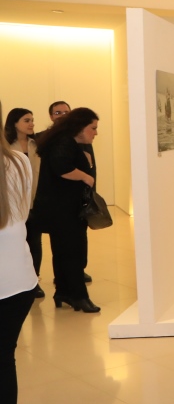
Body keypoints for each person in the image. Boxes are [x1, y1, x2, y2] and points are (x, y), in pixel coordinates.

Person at [32, 108, 100, 313]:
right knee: (72, 253)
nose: (95, 133)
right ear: (80, 127)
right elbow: (62, 168)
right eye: (93, 128)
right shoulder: (64, 142)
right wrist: (86, 177)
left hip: (60, 209)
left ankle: (63, 292)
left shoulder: (63, 141)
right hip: (63, 211)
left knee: (63, 252)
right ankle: (78, 296)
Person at [0, 123, 38, 404]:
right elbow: (22, 215)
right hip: (19, 280)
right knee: (3, 359)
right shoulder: (19, 161)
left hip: (11, 281)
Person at [47, 101, 93, 284]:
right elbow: (62, 168)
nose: (62, 115)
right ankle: (67, 280)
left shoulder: (81, 140)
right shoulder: (55, 140)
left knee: (78, 240)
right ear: (51, 116)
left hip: (76, 201)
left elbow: (91, 168)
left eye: (66, 112)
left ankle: (76, 272)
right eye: (58, 112)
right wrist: (85, 177)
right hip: (62, 203)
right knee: (64, 244)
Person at [4, 109, 44, 298]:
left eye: (32, 120)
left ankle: (35, 279)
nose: (31, 124)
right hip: (15, 204)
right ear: (14, 123)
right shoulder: (7, 146)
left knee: (35, 242)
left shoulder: (37, 144)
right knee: (18, 241)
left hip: (36, 201)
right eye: (26, 120)